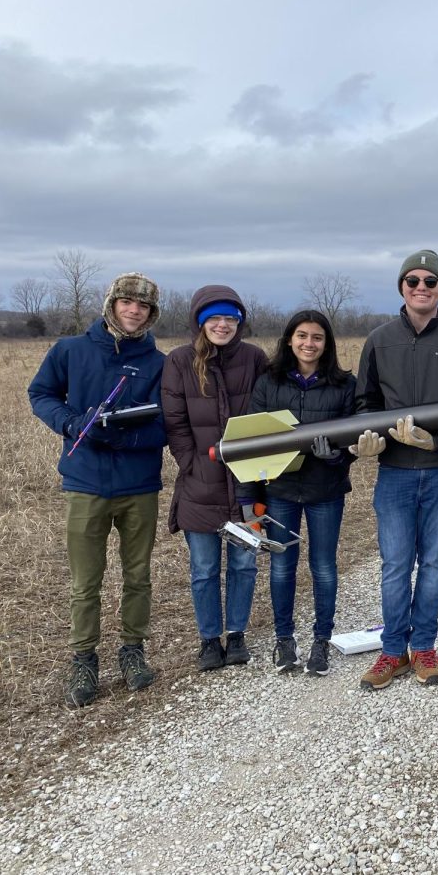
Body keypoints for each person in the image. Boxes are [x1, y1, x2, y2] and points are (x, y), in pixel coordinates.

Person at [29, 273, 167, 707]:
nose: (134, 311)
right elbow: (41, 393)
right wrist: (71, 424)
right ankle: (84, 659)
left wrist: (127, 437)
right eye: (127, 302)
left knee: (137, 575)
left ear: (151, 314)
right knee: (86, 581)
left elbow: (169, 422)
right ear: (112, 304)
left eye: (143, 306)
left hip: (138, 485)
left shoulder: (158, 362)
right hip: (85, 482)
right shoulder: (70, 350)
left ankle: (133, 651)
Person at [355, 250, 438, 690]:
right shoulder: (379, 339)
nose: (422, 287)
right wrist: (368, 444)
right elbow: (364, 404)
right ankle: (393, 651)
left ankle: (424, 645)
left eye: (431, 281)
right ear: (402, 288)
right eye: (413, 281)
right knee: (394, 564)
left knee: (433, 563)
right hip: (395, 471)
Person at [162, 287, 267, 672]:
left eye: (231, 318)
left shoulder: (254, 358)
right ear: (200, 321)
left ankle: (236, 634)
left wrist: (260, 468)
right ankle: (209, 639)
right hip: (199, 485)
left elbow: (270, 409)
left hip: (247, 485)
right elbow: (174, 420)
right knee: (204, 569)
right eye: (215, 318)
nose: (223, 325)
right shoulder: (180, 361)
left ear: (239, 322)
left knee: (243, 564)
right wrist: (190, 464)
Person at [251, 311, 357, 676]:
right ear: (289, 340)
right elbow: (254, 440)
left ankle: (321, 642)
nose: (309, 344)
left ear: (327, 344)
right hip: (280, 489)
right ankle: (284, 640)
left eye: (317, 337)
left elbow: (354, 440)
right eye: (302, 336)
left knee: (324, 567)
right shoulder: (269, 381)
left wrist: (335, 457)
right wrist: (252, 495)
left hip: (325, 490)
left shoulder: (344, 384)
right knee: (282, 566)